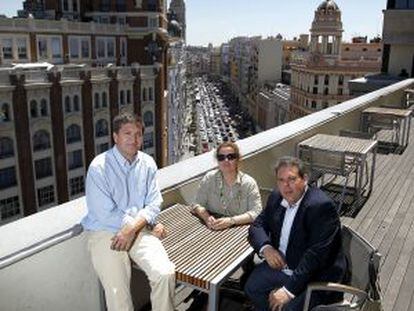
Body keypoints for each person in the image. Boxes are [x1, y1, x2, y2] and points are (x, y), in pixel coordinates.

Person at [81, 112, 175, 311]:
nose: (134, 139)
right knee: (118, 295)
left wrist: (134, 227)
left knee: (165, 274)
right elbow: (104, 213)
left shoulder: (148, 163)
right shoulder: (99, 167)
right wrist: (135, 225)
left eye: (138, 134)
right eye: (127, 133)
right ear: (115, 137)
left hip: (138, 228)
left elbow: (154, 202)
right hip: (105, 231)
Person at [245, 156, 346, 311]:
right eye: (281, 180)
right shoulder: (276, 197)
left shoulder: (320, 206)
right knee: (251, 287)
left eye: (292, 179)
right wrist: (266, 248)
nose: (286, 186)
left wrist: (287, 291)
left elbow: (316, 256)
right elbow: (258, 225)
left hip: (315, 277)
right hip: (284, 266)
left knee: (289, 308)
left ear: (304, 179)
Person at [192, 142, 262, 230]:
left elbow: (256, 212)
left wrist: (231, 221)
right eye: (221, 157)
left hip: (240, 231)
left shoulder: (249, 183)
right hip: (213, 228)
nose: (226, 160)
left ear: (237, 159)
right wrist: (207, 218)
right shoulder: (209, 178)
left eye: (230, 157)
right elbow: (197, 204)